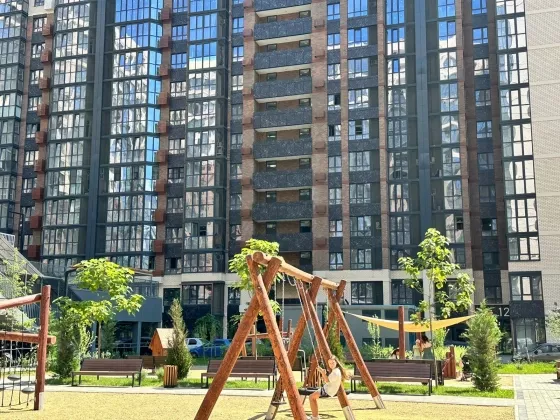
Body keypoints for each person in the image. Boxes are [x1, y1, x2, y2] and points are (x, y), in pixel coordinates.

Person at [307, 356, 350, 420]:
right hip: (328, 389)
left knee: (311, 397)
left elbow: (327, 381)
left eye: (333, 363)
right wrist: (323, 374)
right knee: (312, 397)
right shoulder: (336, 370)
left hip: (328, 390)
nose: (331, 365)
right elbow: (327, 380)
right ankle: (315, 416)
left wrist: (322, 372)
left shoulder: (335, 372)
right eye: (330, 363)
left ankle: (315, 417)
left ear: (336, 362)